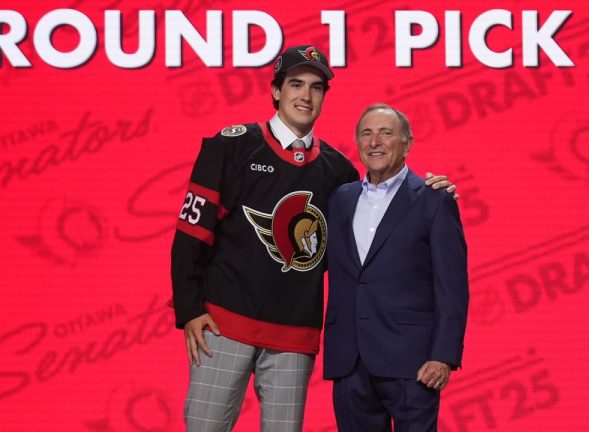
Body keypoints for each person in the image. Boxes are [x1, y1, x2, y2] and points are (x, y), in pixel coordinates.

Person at [170, 47, 455, 431]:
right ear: (275, 91)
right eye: (295, 84)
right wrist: (189, 309)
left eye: (316, 88)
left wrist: (429, 188)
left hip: (294, 337)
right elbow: (190, 233)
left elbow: (374, 229)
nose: (305, 96)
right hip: (222, 328)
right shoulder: (231, 146)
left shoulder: (339, 172)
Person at [323, 104, 469, 431]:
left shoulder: (434, 199)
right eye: (366, 133)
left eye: (386, 133)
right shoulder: (339, 200)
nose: (375, 141)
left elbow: (452, 287)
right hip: (350, 361)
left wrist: (443, 356)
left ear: (407, 144)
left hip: (413, 363)